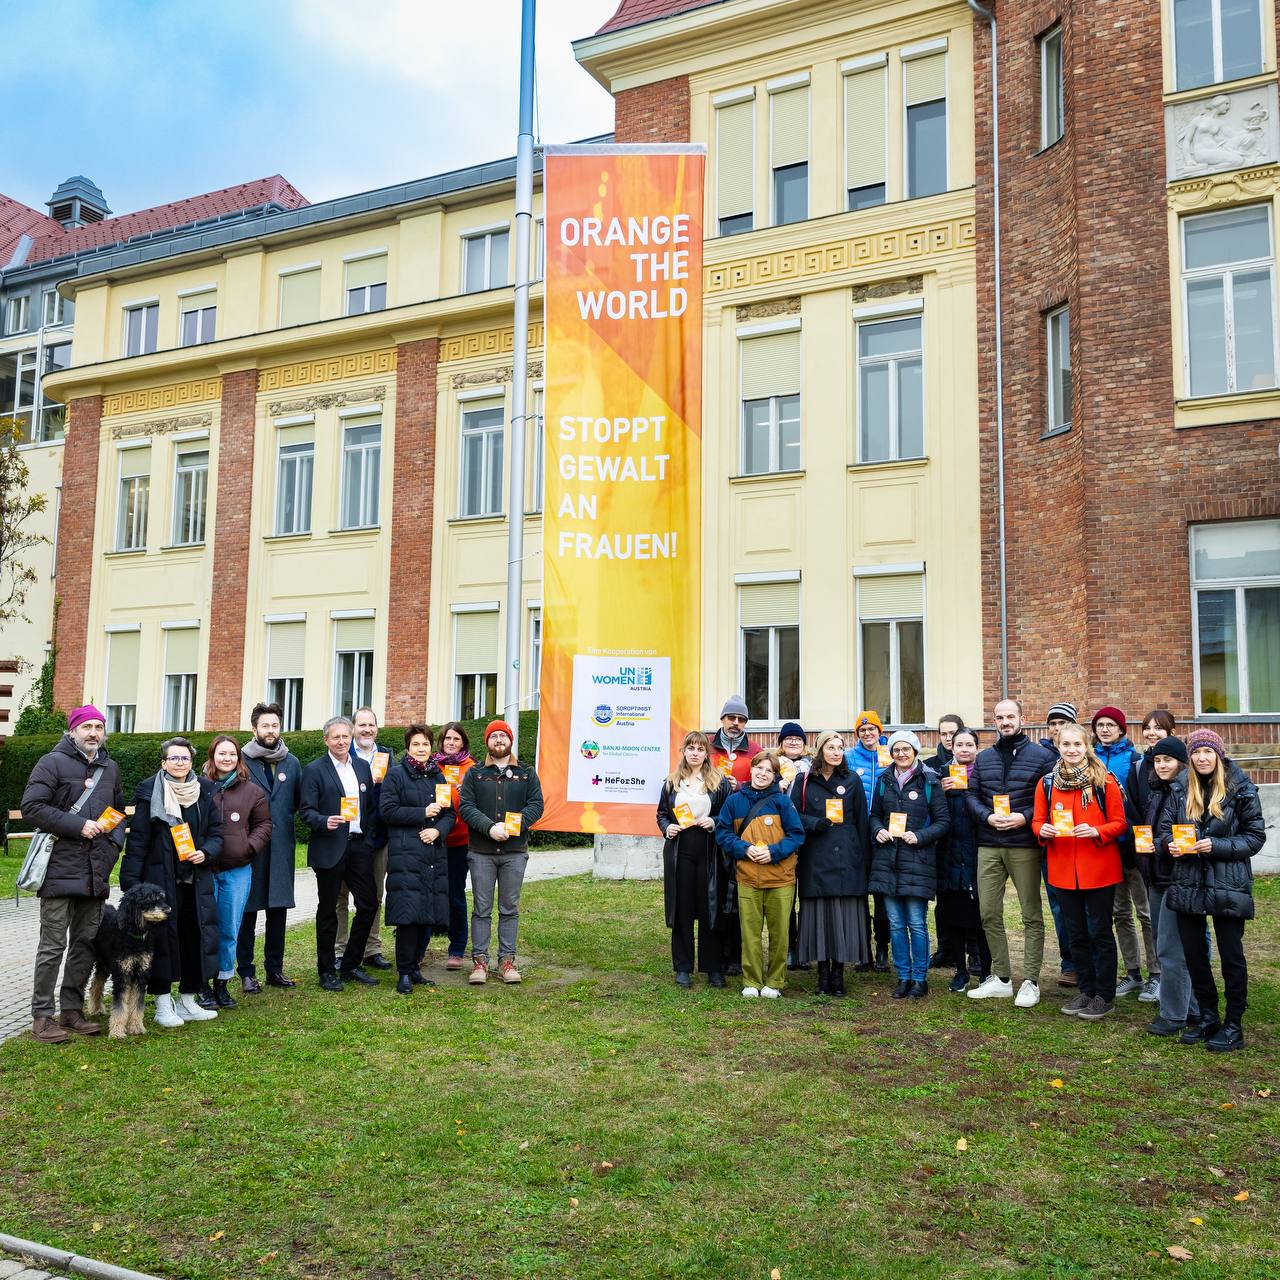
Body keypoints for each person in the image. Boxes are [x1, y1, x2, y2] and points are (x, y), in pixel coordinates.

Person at [21, 705, 126, 1044]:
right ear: (73, 731)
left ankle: (71, 1011)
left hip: (96, 872)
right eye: (87, 727)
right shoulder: (51, 762)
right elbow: (32, 807)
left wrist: (113, 847)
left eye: (99, 727)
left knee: (84, 945)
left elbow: (118, 812)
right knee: (53, 946)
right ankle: (42, 1016)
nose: (93, 733)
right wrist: (78, 825)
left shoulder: (110, 768)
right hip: (59, 870)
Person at [1158, 729, 1265, 1053]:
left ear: (1219, 755)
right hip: (1188, 881)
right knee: (1194, 954)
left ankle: (1233, 1024)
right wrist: (1169, 845)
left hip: (1228, 882)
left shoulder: (1240, 787)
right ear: (1190, 756)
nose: (1202, 758)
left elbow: (1255, 836)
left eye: (1208, 752)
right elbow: (1163, 830)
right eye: (1196, 752)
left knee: (1231, 956)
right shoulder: (1180, 788)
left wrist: (1215, 845)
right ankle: (1208, 1017)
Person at [120, 737, 224, 1026]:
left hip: (195, 881)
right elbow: (138, 841)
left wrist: (206, 853)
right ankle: (163, 1005)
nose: (180, 763)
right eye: (174, 758)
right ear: (163, 763)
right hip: (160, 881)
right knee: (162, 942)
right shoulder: (149, 793)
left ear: (192, 762)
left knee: (195, 938)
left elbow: (217, 833)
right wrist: (131, 882)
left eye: (185, 758)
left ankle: (188, 1001)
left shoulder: (204, 791)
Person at [966, 699, 1056, 1008]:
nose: (1005, 722)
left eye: (1010, 716)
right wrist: (986, 816)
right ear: (994, 721)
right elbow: (972, 795)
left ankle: (1030, 981)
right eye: (1000, 717)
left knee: (1031, 914)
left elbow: (1049, 798)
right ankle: (1002, 978)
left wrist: (1025, 817)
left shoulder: (1043, 757)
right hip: (989, 843)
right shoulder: (984, 758)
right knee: (989, 912)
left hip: (1023, 844)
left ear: (1022, 719)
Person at [1033, 725, 1127, 1021]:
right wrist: (1043, 830)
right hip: (1062, 869)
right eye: (1066, 744)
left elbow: (1120, 822)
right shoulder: (1047, 783)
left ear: (1087, 747)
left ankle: (1105, 995)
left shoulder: (1105, 781)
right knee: (1075, 934)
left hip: (1099, 869)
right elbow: (1037, 820)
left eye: (1077, 744)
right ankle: (1086, 990)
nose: (1071, 749)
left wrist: (1097, 831)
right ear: (1058, 746)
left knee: (1100, 933)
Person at [458, 720, 545, 985]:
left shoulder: (527, 773)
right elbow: (466, 806)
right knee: (481, 908)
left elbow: (536, 805)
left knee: (509, 908)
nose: (498, 740)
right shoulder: (474, 774)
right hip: (481, 852)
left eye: (503, 736)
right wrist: (490, 828)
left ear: (510, 740)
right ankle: (480, 962)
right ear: (487, 741)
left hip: (514, 852)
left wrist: (512, 826)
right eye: (493, 736)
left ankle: (507, 961)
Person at [715, 751, 804, 998]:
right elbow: (723, 834)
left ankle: (774, 981)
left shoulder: (783, 802)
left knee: (780, 933)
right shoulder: (734, 801)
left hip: (780, 878)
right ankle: (751, 981)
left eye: (769, 771)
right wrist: (744, 849)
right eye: (759, 768)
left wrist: (773, 852)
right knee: (750, 932)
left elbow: (797, 835)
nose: (763, 774)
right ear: (751, 769)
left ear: (775, 776)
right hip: (747, 876)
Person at [300, 716, 379, 991]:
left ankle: (350, 964)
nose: (342, 741)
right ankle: (326, 970)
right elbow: (306, 811)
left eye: (346, 736)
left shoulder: (361, 766)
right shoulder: (314, 770)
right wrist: (324, 821)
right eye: (336, 737)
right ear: (326, 740)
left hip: (358, 847)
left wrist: (368, 839)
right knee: (328, 911)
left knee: (369, 904)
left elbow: (370, 807)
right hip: (329, 846)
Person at [869, 731, 950, 999]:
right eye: (896, 750)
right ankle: (903, 976)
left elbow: (943, 822)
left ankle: (920, 978)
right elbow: (874, 815)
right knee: (895, 923)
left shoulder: (930, 781)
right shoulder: (884, 780)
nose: (901, 754)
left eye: (906, 749)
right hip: (888, 860)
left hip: (918, 860)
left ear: (915, 751)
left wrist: (921, 836)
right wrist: (878, 829)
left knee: (916, 923)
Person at [380, 724, 456, 995]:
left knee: (427, 914)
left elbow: (449, 813)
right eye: (416, 744)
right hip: (406, 855)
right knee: (408, 915)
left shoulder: (438, 775)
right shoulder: (396, 775)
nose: (421, 749)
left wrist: (438, 831)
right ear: (407, 747)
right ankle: (403, 972)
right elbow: (387, 811)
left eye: (425, 744)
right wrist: (422, 812)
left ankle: (415, 968)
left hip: (433, 854)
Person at [794, 731, 872, 995]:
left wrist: (864, 859)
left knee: (843, 915)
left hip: (846, 855)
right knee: (819, 915)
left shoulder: (852, 780)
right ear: (820, 751)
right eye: (831, 747)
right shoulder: (804, 780)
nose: (837, 752)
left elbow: (861, 820)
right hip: (815, 854)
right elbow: (792, 815)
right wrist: (813, 823)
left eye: (840, 748)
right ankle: (822, 974)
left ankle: (838, 974)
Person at [656, 732, 734, 988]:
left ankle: (713, 968)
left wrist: (714, 821)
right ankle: (683, 967)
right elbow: (662, 814)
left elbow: (727, 815)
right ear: (684, 751)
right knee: (683, 909)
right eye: (691, 748)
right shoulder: (671, 782)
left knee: (711, 908)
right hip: (681, 852)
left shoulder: (719, 782)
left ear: (706, 754)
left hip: (710, 852)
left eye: (700, 749)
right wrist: (667, 828)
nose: (695, 753)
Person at [1137, 737, 1202, 1038]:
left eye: (1168, 760)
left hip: (1179, 878)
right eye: (1158, 760)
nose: (1162, 765)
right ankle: (1193, 1007)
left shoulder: (1187, 791)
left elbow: (1188, 834)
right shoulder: (1157, 789)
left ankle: (1173, 1014)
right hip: (1157, 876)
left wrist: (1162, 844)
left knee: (1171, 948)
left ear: (1181, 763)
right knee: (1169, 944)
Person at [1091, 705, 1156, 998]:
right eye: (1100, 725)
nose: (1105, 729)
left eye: (1110, 725)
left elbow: (1142, 803)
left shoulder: (1134, 759)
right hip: (1106, 847)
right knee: (1120, 913)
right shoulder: (1089, 759)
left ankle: (1156, 973)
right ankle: (1133, 972)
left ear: (1121, 729)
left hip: (1133, 845)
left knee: (1145, 912)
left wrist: (1139, 839)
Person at [203, 735, 272, 1009]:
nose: (227, 758)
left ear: (238, 758)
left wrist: (248, 847)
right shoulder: (198, 787)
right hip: (204, 869)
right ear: (212, 756)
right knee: (204, 928)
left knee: (229, 928)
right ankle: (203, 985)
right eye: (222, 753)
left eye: (232, 754)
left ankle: (222, 983)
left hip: (237, 870)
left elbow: (264, 824)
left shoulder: (252, 791)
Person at [238, 702, 302, 992]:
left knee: (278, 910)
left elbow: (296, 802)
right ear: (254, 729)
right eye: (265, 725)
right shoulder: (240, 760)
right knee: (247, 911)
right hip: (249, 847)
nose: (270, 730)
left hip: (281, 848)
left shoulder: (292, 762)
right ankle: (246, 972)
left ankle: (275, 969)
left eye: (275, 725)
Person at [1123, 708, 1179, 1005]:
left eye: (1159, 728)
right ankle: (1142, 975)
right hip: (1144, 853)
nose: (1152, 733)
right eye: (1148, 727)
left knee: (1161, 919)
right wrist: (1140, 841)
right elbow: (1132, 809)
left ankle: (1162, 977)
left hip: (1176, 854)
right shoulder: (1138, 767)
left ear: (1171, 732)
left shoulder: (1181, 768)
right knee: (1145, 917)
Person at [335, 707, 395, 972]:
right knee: (340, 897)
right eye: (362, 725)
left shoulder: (387, 757)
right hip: (345, 838)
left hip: (378, 838)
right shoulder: (342, 754)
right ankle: (340, 950)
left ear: (377, 729)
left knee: (374, 896)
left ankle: (371, 948)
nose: (367, 730)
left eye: (371, 725)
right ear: (352, 729)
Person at [706, 696, 760, 976]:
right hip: (711, 826)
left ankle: (736, 955)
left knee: (738, 893)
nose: (735, 723)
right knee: (715, 893)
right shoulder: (707, 748)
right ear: (722, 719)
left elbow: (764, 780)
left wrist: (740, 785)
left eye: (741, 720)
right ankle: (715, 953)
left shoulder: (755, 750)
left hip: (743, 826)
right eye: (731, 718)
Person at [936, 728, 991, 993]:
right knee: (953, 915)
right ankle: (960, 970)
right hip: (948, 854)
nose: (964, 749)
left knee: (981, 914)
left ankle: (985, 969)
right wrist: (939, 792)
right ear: (952, 748)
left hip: (979, 852)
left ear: (977, 748)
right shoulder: (940, 776)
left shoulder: (985, 774)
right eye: (959, 745)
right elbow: (930, 812)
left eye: (969, 744)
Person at [1034, 701, 1079, 986]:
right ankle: (1070, 963)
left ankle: (1091, 963)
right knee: (1060, 907)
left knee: (1089, 910)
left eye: (1062, 722)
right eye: (1052, 723)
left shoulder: (1086, 758)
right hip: (1052, 846)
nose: (1056, 727)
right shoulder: (1039, 757)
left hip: (1083, 844)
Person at [845, 710, 892, 971]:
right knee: (859, 895)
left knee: (883, 895)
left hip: (883, 833)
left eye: (871, 729)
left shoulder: (890, 755)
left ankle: (883, 946)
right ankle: (863, 950)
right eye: (862, 730)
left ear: (879, 731)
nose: (867, 733)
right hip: (858, 835)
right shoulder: (849, 757)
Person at [431, 721, 476, 970]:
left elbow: (479, 802)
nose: (451, 742)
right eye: (447, 738)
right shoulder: (431, 765)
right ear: (441, 741)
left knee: (456, 895)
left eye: (456, 739)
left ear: (463, 743)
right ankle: (419, 946)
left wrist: (465, 791)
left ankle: (457, 949)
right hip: (432, 839)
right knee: (429, 893)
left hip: (459, 841)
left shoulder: (472, 768)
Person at [924, 713, 964, 970]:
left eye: (953, 733)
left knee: (968, 897)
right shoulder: (930, 765)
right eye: (944, 733)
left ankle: (972, 950)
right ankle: (945, 948)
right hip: (940, 840)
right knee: (943, 898)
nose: (948, 738)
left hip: (966, 836)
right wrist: (939, 788)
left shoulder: (973, 762)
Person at [775, 720, 810, 971]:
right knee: (785, 896)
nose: (793, 742)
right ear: (781, 743)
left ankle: (805, 948)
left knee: (806, 895)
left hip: (808, 836)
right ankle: (788, 947)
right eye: (788, 738)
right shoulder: (773, 765)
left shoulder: (812, 766)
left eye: (798, 739)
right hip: (781, 835)